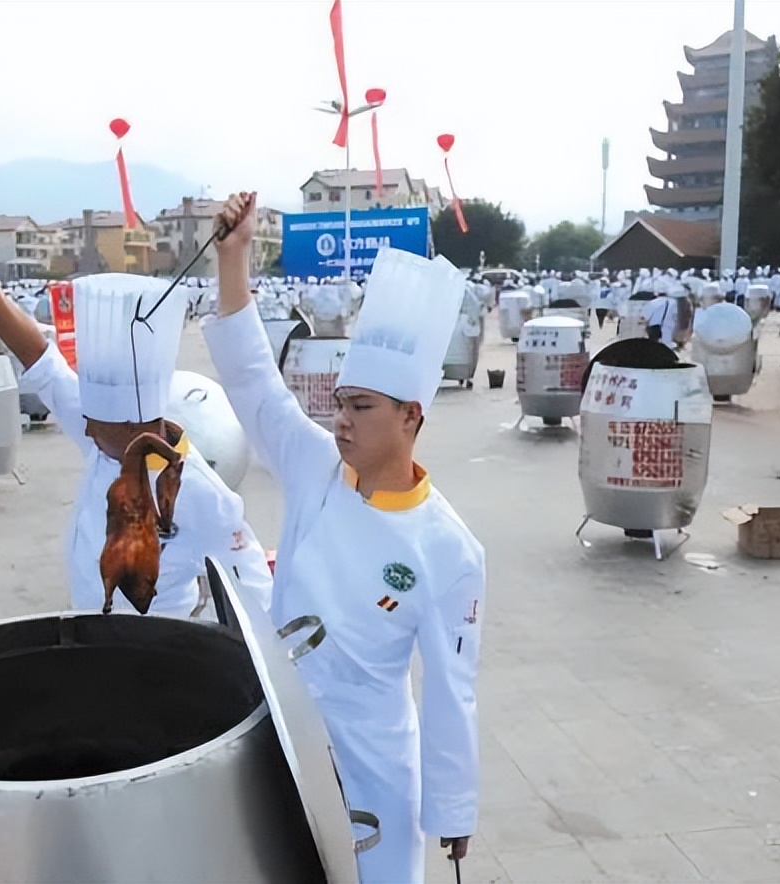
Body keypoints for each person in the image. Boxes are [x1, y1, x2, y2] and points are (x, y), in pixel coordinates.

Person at [202, 192, 484, 883]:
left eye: (361, 408)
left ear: (411, 416)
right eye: (339, 405)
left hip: (372, 759)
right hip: (277, 730)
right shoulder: (313, 467)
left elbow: (453, 688)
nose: (341, 422)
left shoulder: (449, 550)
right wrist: (232, 255)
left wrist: (453, 811)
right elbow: (253, 382)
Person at [0, 250, 273, 619]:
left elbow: (256, 591)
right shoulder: (107, 439)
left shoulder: (202, 495)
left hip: (157, 655)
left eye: (94, 424)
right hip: (89, 632)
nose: (84, 428)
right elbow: (42, 362)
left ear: (135, 428)